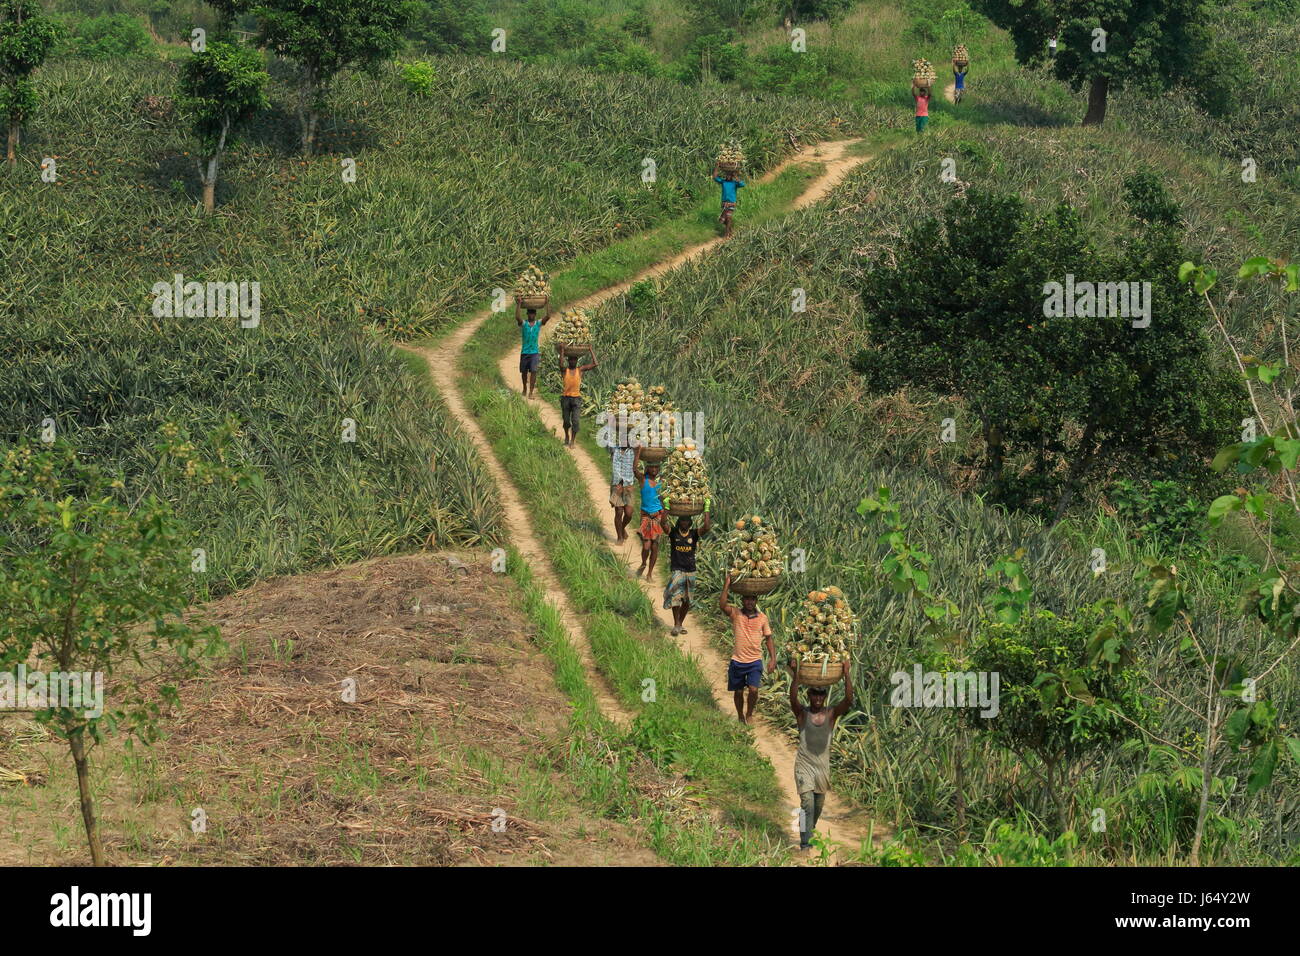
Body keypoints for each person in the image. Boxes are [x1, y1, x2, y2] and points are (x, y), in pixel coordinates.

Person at [789, 660, 854, 851]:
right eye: (814, 694)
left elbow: (848, 700)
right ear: (808, 695)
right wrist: (796, 675)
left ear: (825, 696)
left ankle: (808, 828)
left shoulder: (831, 714)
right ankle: (805, 844)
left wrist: (847, 673)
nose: (818, 697)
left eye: (821, 694)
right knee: (807, 803)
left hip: (822, 768)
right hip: (804, 765)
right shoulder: (802, 714)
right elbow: (792, 699)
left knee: (817, 807)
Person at [720, 573, 775, 724]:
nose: (749, 602)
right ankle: (740, 715)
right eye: (747, 599)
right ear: (742, 600)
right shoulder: (736, 614)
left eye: (752, 599)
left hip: (754, 661)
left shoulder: (762, 618)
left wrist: (772, 659)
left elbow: (769, 638)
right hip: (737, 660)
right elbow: (722, 605)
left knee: (753, 690)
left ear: (756, 601)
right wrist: (727, 584)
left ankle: (749, 713)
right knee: (738, 691)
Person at [660, 509, 711, 636]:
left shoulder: (694, 534)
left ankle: (680, 623)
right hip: (677, 569)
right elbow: (663, 524)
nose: (684, 523)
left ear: (690, 523)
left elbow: (706, 527)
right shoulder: (674, 533)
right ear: (679, 522)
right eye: (682, 520)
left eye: (686, 521)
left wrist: (706, 510)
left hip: (690, 570)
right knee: (675, 597)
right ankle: (676, 623)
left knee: (687, 600)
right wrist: (666, 509)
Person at [633, 446, 668, 577]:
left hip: (658, 516)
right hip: (646, 516)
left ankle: (650, 573)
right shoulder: (643, 480)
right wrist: (638, 452)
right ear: (647, 468)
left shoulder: (661, 482)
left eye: (656, 468)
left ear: (659, 469)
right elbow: (634, 469)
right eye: (651, 467)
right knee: (646, 545)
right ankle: (643, 563)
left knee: (655, 545)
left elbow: (663, 499)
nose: (654, 470)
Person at [558, 346, 597, 447]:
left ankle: (572, 440)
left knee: (575, 421)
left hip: (576, 399)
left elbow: (595, 364)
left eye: (574, 360)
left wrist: (590, 350)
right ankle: (566, 435)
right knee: (566, 421)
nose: (572, 362)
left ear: (577, 361)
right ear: (568, 361)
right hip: (566, 398)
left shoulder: (580, 370)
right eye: (571, 360)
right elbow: (560, 364)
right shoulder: (564, 370)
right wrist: (562, 350)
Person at [515, 301, 551, 398]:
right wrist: (518, 304)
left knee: (534, 371)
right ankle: (524, 388)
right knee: (524, 372)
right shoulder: (524, 324)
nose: (531, 315)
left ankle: (531, 392)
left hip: (534, 352)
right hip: (525, 352)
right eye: (529, 313)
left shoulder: (538, 324)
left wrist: (547, 303)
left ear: (535, 314)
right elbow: (517, 317)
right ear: (527, 314)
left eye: (532, 313)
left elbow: (548, 316)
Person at [609, 441, 636, 544]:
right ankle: (619, 537)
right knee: (619, 511)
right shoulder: (614, 448)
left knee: (629, 513)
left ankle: (622, 527)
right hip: (616, 485)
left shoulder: (632, 451)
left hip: (628, 485)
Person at [713, 162, 746, 238]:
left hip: (731, 203)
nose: (728, 176)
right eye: (727, 175)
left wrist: (736, 176)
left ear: (731, 176)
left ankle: (726, 234)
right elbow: (715, 177)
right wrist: (717, 167)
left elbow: (742, 184)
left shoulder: (735, 183)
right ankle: (731, 231)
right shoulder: (723, 182)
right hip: (724, 203)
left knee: (728, 217)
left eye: (729, 175)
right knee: (723, 220)